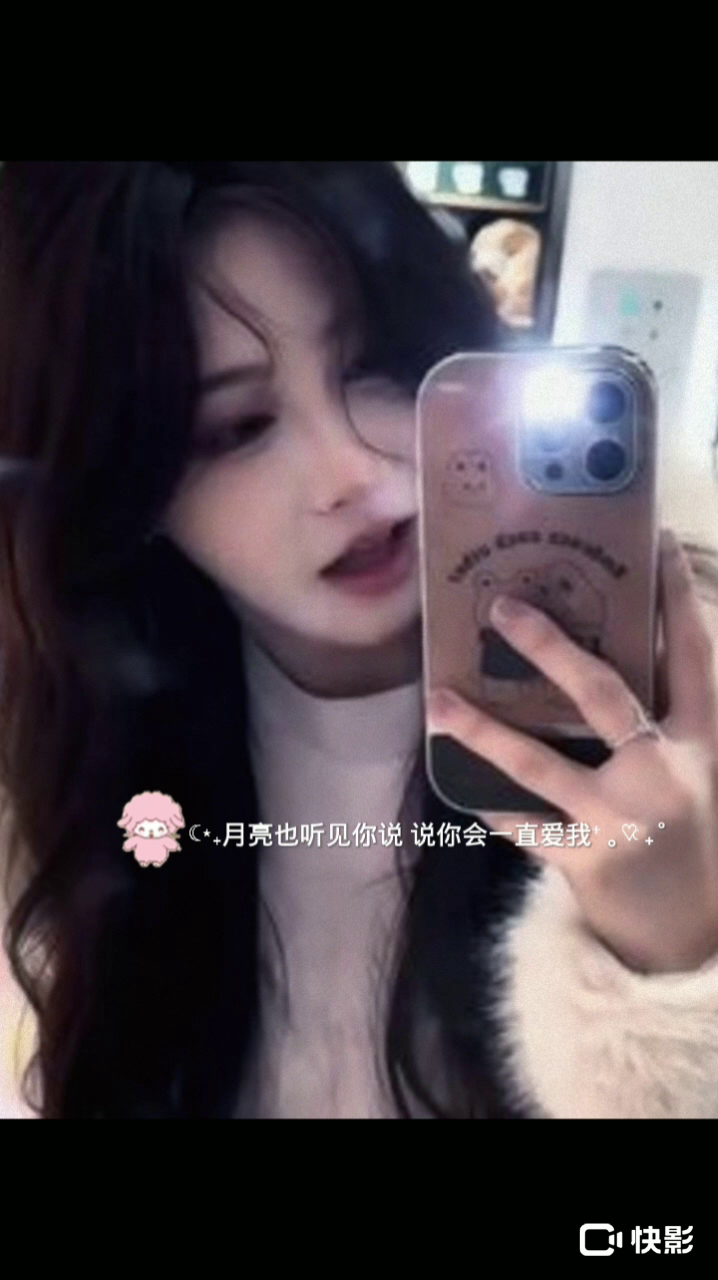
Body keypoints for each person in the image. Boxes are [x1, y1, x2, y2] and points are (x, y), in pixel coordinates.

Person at [0, 161, 717, 1120]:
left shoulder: (679, 697)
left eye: (378, 364)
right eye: (238, 427)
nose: (354, 473)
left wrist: (672, 970)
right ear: (127, 488)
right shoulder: (85, 756)